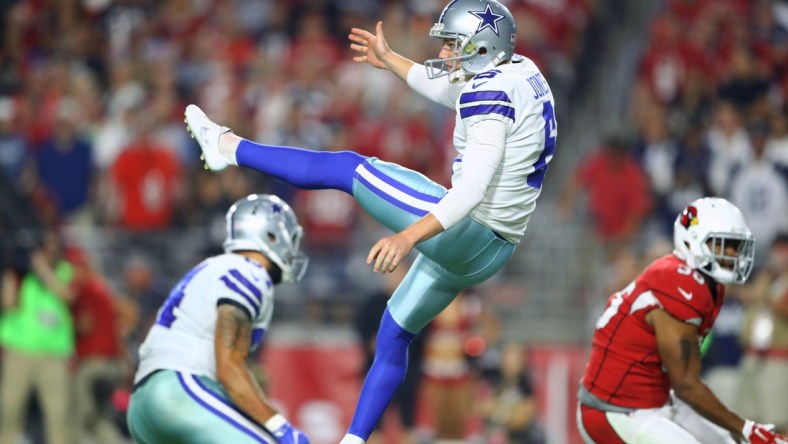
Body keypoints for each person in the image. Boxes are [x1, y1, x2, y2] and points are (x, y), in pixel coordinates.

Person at [185, 0, 556, 441]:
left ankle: (227, 148)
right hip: (492, 250)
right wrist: (391, 60)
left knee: (347, 167)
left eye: (456, 45)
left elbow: (472, 190)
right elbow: (449, 87)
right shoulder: (521, 71)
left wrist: (407, 237)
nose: (447, 55)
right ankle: (355, 439)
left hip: (466, 230)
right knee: (394, 332)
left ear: (482, 48)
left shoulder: (487, 92)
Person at [577, 197, 788, 444]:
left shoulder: (709, 285)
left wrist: (742, 432)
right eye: (724, 245)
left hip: (657, 399)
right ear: (694, 242)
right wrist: (747, 429)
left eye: (736, 246)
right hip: (615, 410)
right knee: (742, 436)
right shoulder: (678, 282)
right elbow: (687, 384)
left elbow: (683, 382)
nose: (733, 254)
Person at [126, 194, 310, 444]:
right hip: (181, 388)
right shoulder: (249, 271)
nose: (293, 249)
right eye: (291, 239)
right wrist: (280, 427)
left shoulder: (215, 267)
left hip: (143, 404)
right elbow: (229, 368)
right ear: (270, 236)